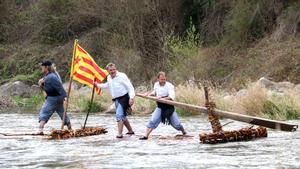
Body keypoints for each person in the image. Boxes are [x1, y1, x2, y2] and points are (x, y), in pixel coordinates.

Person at [139, 71, 186, 140]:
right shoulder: (156, 85)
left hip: (169, 107)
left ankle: (183, 131)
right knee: (153, 120)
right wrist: (148, 94)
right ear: (158, 79)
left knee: (177, 125)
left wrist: (161, 98)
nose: (163, 81)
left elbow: (171, 97)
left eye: (164, 79)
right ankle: (146, 135)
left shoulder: (169, 85)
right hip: (160, 107)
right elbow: (154, 92)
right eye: (161, 79)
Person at [95, 63, 135, 138]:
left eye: (114, 69)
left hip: (125, 97)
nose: (113, 71)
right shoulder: (109, 78)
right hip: (116, 99)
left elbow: (130, 87)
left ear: (115, 69)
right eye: (111, 70)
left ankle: (119, 134)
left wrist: (131, 98)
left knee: (119, 115)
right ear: (108, 71)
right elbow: (107, 85)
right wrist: (97, 85)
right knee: (122, 116)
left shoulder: (122, 76)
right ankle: (130, 131)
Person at [37, 60, 72, 135]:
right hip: (57, 98)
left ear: (46, 67)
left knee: (44, 112)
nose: (41, 68)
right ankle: (70, 129)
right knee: (62, 113)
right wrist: (41, 85)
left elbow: (59, 87)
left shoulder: (52, 77)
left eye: (42, 66)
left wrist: (65, 96)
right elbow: (46, 88)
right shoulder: (48, 76)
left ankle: (40, 131)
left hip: (53, 98)